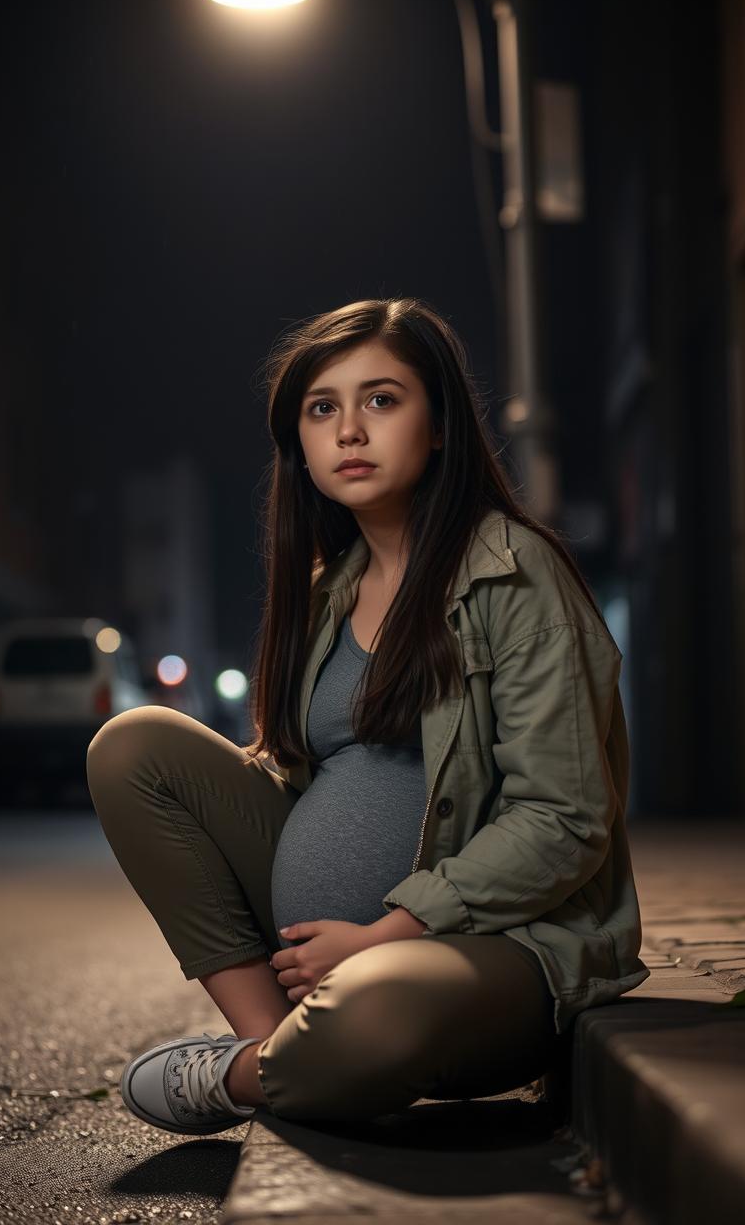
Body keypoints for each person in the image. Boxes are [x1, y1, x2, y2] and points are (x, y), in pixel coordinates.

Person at [86, 297, 650, 1136]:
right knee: (133, 746)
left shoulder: (514, 573)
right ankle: (277, 1046)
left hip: (492, 952)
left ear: (440, 425)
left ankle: (248, 1077)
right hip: (324, 956)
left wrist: (387, 932)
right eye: (323, 409)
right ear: (300, 444)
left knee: (377, 1006)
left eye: (382, 400)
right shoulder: (331, 588)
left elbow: (565, 818)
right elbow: (316, 777)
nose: (349, 430)